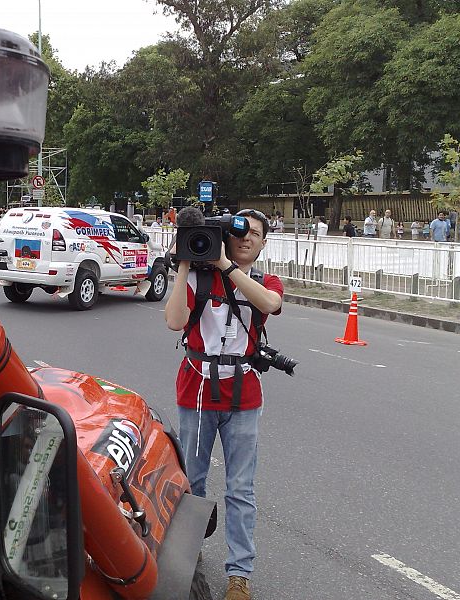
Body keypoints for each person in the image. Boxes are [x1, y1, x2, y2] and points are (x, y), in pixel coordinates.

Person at [165, 209, 283, 600]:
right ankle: (189, 553)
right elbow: (174, 321)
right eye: (240, 231)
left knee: (241, 488)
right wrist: (184, 262)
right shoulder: (198, 279)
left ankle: (239, 575)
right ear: (226, 236)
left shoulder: (265, 282)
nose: (246, 238)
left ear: (263, 244)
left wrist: (225, 266)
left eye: (255, 234)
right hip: (197, 390)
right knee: (192, 482)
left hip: (244, 394)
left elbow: (269, 304)